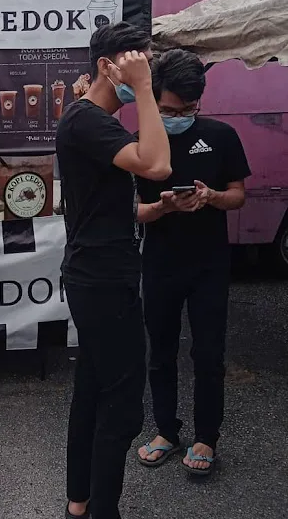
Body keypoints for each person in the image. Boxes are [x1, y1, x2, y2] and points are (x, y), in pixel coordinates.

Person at [56, 22, 171, 519]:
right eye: (139, 62)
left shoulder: (90, 118)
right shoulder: (87, 119)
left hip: (99, 271)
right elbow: (157, 165)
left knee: (92, 392)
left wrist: (155, 210)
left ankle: (80, 504)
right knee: (122, 407)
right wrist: (144, 90)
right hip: (103, 279)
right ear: (107, 66)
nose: (146, 71)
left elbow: (106, 205)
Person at [136, 49, 250, 476]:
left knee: (208, 353)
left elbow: (238, 195)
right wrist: (163, 207)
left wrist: (212, 197)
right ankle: (166, 430)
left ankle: (206, 437)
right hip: (160, 262)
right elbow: (132, 211)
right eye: (168, 111)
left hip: (209, 265)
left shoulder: (221, 136)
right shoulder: (141, 143)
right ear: (154, 100)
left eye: (188, 110)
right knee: (160, 352)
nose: (178, 117)